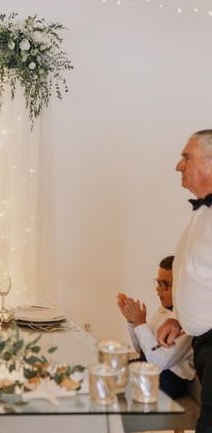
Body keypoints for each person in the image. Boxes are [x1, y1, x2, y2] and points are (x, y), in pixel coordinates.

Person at [158, 129, 212, 432]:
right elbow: (198, 274)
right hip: (202, 342)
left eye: (186, 158)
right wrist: (178, 316)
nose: (179, 165)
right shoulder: (203, 212)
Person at [117, 255, 194, 399]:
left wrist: (140, 323)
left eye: (165, 284)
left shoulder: (185, 320)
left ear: (181, 286)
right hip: (149, 365)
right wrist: (132, 321)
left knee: (117, 383)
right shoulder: (163, 309)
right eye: (158, 283)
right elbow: (141, 349)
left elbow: (159, 362)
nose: (158, 289)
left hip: (169, 378)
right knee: (111, 367)